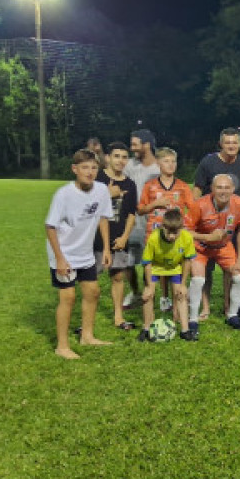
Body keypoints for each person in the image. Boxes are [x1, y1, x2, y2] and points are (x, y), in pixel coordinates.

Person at [45, 148, 114, 359]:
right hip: (63, 253)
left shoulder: (102, 190)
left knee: (93, 292)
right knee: (68, 297)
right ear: (75, 169)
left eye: (94, 167)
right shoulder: (63, 194)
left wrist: (106, 248)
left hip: (85, 254)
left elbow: (103, 218)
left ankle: (87, 336)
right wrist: (59, 258)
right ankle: (62, 346)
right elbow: (50, 227)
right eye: (85, 167)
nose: (90, 172)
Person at [137, 147, 197, 314]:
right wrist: (154, 204)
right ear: (158, 163)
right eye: (166, 161)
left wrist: (188, 229)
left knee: (175, 270)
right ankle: (159, 300)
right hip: (154, 236)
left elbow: (193, 210)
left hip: (175, 236)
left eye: (173, 161)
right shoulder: (150, 186)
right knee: (154, 270)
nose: (171, 165)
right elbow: (140, 209)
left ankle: (177, 308)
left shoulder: (183, 187)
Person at [186, 174, 240, 332]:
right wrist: (207, 237)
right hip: (200, 247)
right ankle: (192, 319)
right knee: (198, 280)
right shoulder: (199, 205)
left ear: (233, 189)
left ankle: (232, 315)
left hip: (223, 246)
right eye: (219, 187)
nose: (223, 191)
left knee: (239, 275)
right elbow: (184, 231)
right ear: (212, 189)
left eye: (227, 187)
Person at [94, 141, 138, 330]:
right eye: (116, 156)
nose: (120, 161)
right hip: (94, 238)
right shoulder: (97, 179)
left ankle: (118, 316)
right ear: (108, 158)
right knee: (91, 279)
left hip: (119, 239)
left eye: (124, 157)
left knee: (118, 276)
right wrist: (108, 195)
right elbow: (87, 207)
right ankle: (88, 316)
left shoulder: (130, 184)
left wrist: (124, 238)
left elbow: (130, 214)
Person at [138, 209, 197, 341]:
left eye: (175, 233)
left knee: (181, 294)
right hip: (155, 267)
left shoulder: (186, 237)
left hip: (174, 268)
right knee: (148, 296)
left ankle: (185, 330)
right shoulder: (153, 238)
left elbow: (187, 261)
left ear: (181, 228)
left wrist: (183, 284)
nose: (171, 236)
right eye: (168, 232)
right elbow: (147, 263)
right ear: (162, 227)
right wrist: (148, 286)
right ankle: (146, 329)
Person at [123, 128, 160, 309]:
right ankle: (135, 292)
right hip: (131, 220)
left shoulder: (159, 167)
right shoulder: (130, 165)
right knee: (127, 261)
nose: (132, 148)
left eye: (135, 144)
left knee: (149, 261)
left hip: (151, 221)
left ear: (147, 145)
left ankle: (149, 292)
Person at [193, 127, 240, 197]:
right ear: (221, 144)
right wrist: (195, 206)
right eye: (227, 143)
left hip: (235, 207)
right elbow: (198, 188)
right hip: (211, 207)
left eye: (235, 143)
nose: (231, 146)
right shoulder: (208, 162)